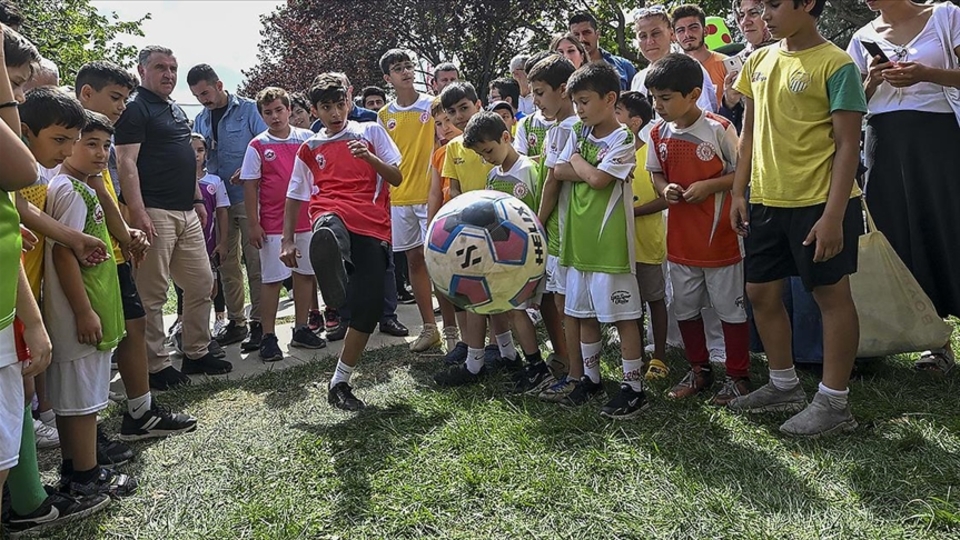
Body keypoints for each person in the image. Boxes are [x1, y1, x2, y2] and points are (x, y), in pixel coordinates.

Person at [728, 0, 867, 437]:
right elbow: (749, 131)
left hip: (819, 204)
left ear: (807, 4)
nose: (762, 14)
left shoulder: (837, 63)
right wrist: (738, 190)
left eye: (773, 4)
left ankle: (834, 403)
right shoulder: (758, 60)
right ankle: (783, 385)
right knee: (760, 293)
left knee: (831, 296)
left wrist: (833, 215)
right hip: (767, 200)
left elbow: (849, 145)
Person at [0, 31, 113, 536]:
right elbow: (22, 195)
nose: (17, 96)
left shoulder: (52, 181)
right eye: (14, 86)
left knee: (19, 404)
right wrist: (70, 237)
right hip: (20, 302)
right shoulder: (41, 175)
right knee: (22, 401)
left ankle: (29, 497)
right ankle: (30, 499)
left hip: (19, 297)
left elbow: (18, 210)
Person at [74, 62, 199, 443]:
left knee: (135, 322)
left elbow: (103, 187)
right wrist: (136, 218)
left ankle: (140, 411)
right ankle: (87, 431)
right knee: (99, 340)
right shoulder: (72, 139)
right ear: (86, 95)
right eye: (115, 98)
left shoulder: (103, 136)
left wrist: (124, 231)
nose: (121, 106)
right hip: (90, 258)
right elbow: (105, 176)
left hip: (116, 246)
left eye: (124, 99)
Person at [848, 0, 960, 373]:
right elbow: (852, 104)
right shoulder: (862, 36)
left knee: (950, 227)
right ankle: (936, 344)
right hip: (884, 140)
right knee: (900, 236)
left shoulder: (946, 16)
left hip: (940, 137)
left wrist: (926, 73)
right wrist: (873, 79)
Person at [281, 73, 402, 411]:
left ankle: (339, 382)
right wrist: (287, 240)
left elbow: (396, 177)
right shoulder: (310, 147)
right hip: (329, 213)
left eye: (339, 105)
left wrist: (368, 157)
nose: (334, 113)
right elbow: (295, 195)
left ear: (349, 102)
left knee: (370, 308)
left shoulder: (372, 132)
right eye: (325, 107)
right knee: (328, 228)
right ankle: (331, 265)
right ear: (315, 110)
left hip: (372, 225)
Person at [116, 46, 232, 389]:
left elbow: (185, 157)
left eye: (172, 67)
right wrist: (137, 213)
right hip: (153, 210)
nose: (169, 74)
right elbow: (125, 163)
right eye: (160, 67)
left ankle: (196, 351)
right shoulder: (135, 108)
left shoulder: (173, 107)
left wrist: (196, 197)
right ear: (141, 71)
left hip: (185, 210)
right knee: (152, 293)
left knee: (201, 283)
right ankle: (154, 365)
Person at [645, 54, 749, 405]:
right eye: (653, 98)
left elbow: (742, 173)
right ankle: (699, 369)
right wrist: (664, 189)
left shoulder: (719, 127)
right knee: (686, 308)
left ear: (692, 95)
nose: (657, 106)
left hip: (720, 238)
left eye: (665, 98)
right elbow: (656, 173)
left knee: (730, 310)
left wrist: (710, 186)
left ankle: (738, 376)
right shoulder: (657, 133)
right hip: (680, 241)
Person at [44, 110, 137, 499]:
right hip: (78, 317)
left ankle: (75, 470)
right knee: (81, 403)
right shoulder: (70, 190)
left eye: (106, 145)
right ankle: (86, 475)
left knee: (76, 401)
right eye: (90, 143)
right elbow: (64, 254)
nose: (101, 154)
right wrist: (84, 311)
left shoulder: (82, 187)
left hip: (84, 314)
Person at [551, 62, 646, 419]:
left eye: (585, 101)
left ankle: (634, 387)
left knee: (624, 318)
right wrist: (583, 166)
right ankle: (591, 379)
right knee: (583, 314)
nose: (578, 109)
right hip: (578, 246)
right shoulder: (579, 133)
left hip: (611, 249)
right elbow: (557, 172)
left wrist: (577, 161)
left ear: (610, 98)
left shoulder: (623, 138)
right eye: (574, 102)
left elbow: (597, 181)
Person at [241, 87, 326, 361]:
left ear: (289, 109)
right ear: (261, 115)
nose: (275, 117)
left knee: (305, 274)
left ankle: (301, 328)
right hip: (274, 224)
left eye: (279, 110)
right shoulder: (257, 145)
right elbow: (250, 187)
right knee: (272, 280)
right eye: (268, 112)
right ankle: (268, 336)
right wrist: (253, 224)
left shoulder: (307, 139)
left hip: (306, 220)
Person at [188, 63, 268, 352]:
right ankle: (237, 322)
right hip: (215, 202)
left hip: (246, 197)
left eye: (205, 92)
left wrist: (248, 171)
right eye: (197, 96)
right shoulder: (200, 119)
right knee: (226, 263)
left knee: (256, 261)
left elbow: (264, 145)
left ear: (219, 85)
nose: (203, 100)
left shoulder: (248, 110)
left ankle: (260, 322)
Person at [378, 49, 442, 352]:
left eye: (408, 66)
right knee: (414, 261)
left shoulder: (432, 105)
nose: (405, 72)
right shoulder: (384, 115)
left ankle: (452, 329)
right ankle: (430, 328)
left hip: (430, 195)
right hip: (399, 198)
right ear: (387, 78)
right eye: (397, 69)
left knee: (439, 262)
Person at [529, 53, 579, 403]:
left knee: (568, 307)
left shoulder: (566, 128)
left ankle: (576, 373)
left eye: (541, 92)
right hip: (569, 231)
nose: (535, 101)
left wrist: (538, 221)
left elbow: (552, 182)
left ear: (564, 90)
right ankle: (572, 365)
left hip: (564, 232)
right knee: (566, 305)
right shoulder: (570, 126)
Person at [615, 90, 669, 380]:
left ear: (634, 123)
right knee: (628, 303)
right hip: (619, 245)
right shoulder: (610, 155)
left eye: (618, 113)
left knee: (654, 298)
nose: (612, 118)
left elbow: (666, 197)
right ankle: (633, 354)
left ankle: (659, 356)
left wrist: (633, 213)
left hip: (647, 243)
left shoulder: (650, 153)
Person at [425, 97, 467, 359]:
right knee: (454, 285)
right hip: (448, 228)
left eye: (448, 120)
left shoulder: (474, 147)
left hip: (472, 228)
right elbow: (433, 194)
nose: (445, 127)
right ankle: (459, 337)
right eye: (438, 123)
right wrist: (430, 227)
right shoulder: (439, 154)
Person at [631, 5, 719, 113]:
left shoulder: (690, 69)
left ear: (672, 34)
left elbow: (707, 115)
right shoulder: (638, 80)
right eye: (643, 36)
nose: (650, 41)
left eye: (656, 33)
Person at [720, 0, 777, 130]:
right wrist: (729, 102)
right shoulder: (739, 59)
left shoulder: (791, 52)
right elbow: (728, 126)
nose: (745, 22)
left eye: (754, 13)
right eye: (741, 15)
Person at [672, 4, 728, 108]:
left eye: (693, 28)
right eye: (681, 30)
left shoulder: (725, 64)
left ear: (706, 31)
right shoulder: (672, 70)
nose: (687, 34)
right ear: (674, 36)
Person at [569, 12, 638, 90]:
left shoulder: (624, 66)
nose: (581, 39)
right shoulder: (566, 69)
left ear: (597, 34)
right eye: (576, 35)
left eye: (586, 33)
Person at [309, 72, 377, 132]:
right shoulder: (316, 128)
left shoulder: (372, 121)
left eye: (340, 89)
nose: (336, 113)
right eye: (326, 107)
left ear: (350, 89)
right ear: (314, 111)